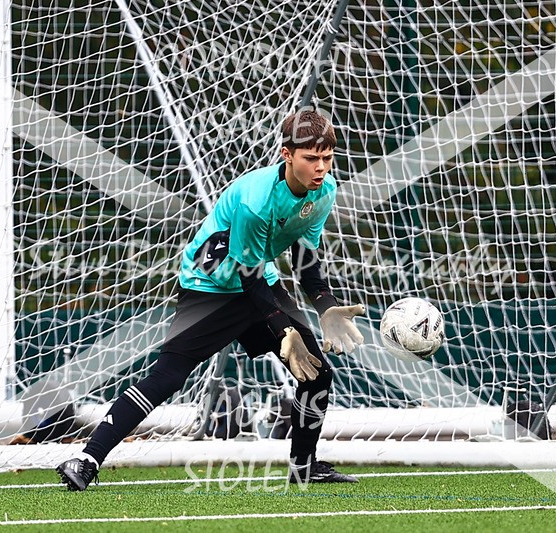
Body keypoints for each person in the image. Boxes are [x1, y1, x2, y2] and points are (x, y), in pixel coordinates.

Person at [56, 109, 365, 491]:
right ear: (286, 155)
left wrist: (325, 306)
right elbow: (246, 276)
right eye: (310, 158)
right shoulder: (256, 201)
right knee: (168, 375)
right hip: (210, 286)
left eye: (327, 158)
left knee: (316, 372)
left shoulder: (325, 191)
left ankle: (304, 466)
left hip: (259, 280)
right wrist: (285, 329)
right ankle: (87, 459)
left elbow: (304, 258)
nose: (320, 167)